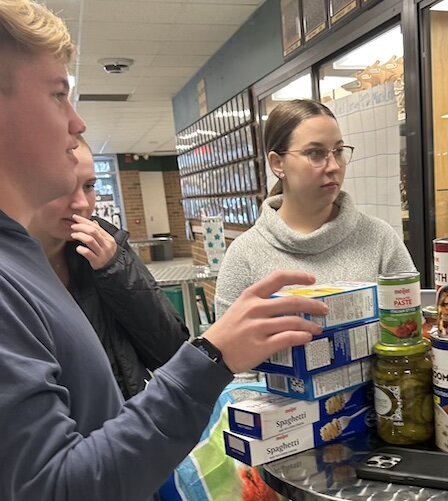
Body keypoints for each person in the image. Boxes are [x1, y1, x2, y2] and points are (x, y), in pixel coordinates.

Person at [0, 2, 327, 499]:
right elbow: (51, 486)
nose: (77, 123)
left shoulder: (26, 258)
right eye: (57, 95)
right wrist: (213, 357)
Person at [215, 99, 416, 317]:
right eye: (315, 153)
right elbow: (226, 345)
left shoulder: (379, 238)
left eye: (338, 150)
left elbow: (410, 329)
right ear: (277, 163)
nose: (334, 166)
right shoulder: (245, 254)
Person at [28, 138, 189, 399]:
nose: (81, 203)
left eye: (89, 186)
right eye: (62, 187)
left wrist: (115, 269)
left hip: (123, 421)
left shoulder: (110, 244)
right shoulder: (13, 266)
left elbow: (171, 351)